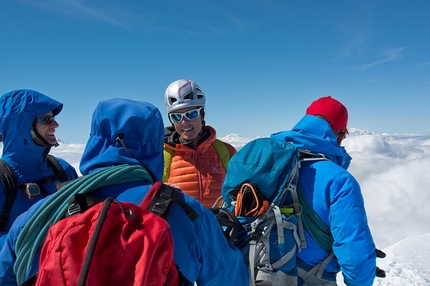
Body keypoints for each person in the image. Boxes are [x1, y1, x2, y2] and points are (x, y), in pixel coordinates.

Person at [0, 98, 249, 285]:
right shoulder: (188, 213)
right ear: (153, 146)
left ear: (95, 141)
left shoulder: (41, 215)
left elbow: (6, 274)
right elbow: (229, 278)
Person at [270, 96, 377, 286]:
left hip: (261, 267)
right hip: (311, 276)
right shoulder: (339, 180)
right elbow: (353, 249)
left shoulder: (272, 161)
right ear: (340, 134)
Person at [0, 89, 78, 248]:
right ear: (21, 125)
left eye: (53, 118)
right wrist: (36, 244)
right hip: (19, 272)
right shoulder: (3, 178)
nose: (56, 125)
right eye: (46, 119)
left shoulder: (61, 169)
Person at [163, 79, 237, 207]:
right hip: (179, 226)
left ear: (202, 114)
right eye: (176, 116)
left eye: (191, 114)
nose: (184, 122)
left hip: (219, 226)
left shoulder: (225, 151)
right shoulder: (162, 155)